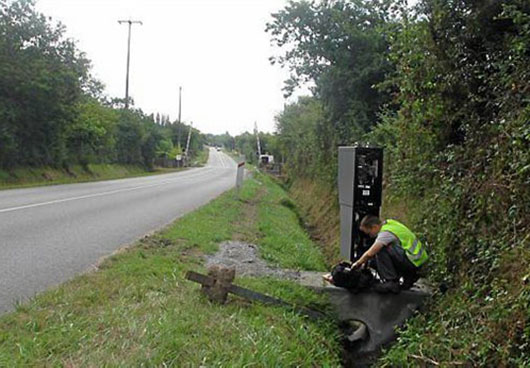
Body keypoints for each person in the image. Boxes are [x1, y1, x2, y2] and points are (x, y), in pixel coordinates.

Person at [351, 215, 428, 294]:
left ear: (374, 227)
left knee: (380, 250)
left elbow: (370, 253)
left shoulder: (385, 233)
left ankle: (391, 282)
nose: (369, 236)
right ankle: (408, 278)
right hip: (417, 259)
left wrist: (358, 263)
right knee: (376, 258)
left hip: (412, 261)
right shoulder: (390, 224)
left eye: (369, 233)